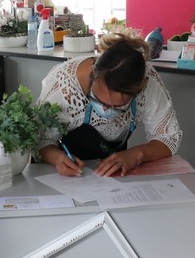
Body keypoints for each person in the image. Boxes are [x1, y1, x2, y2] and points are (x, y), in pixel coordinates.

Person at [37, 31, 182, 177]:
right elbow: (41, 141)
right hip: (66, 176)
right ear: (94, 73)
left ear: (136, 93)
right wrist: (56, 158)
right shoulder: (64, 87)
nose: (105, 109)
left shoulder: (147, 84)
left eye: (117, 107)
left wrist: (136, 154)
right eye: (97, 100)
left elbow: (168, 139)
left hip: (113, 178)